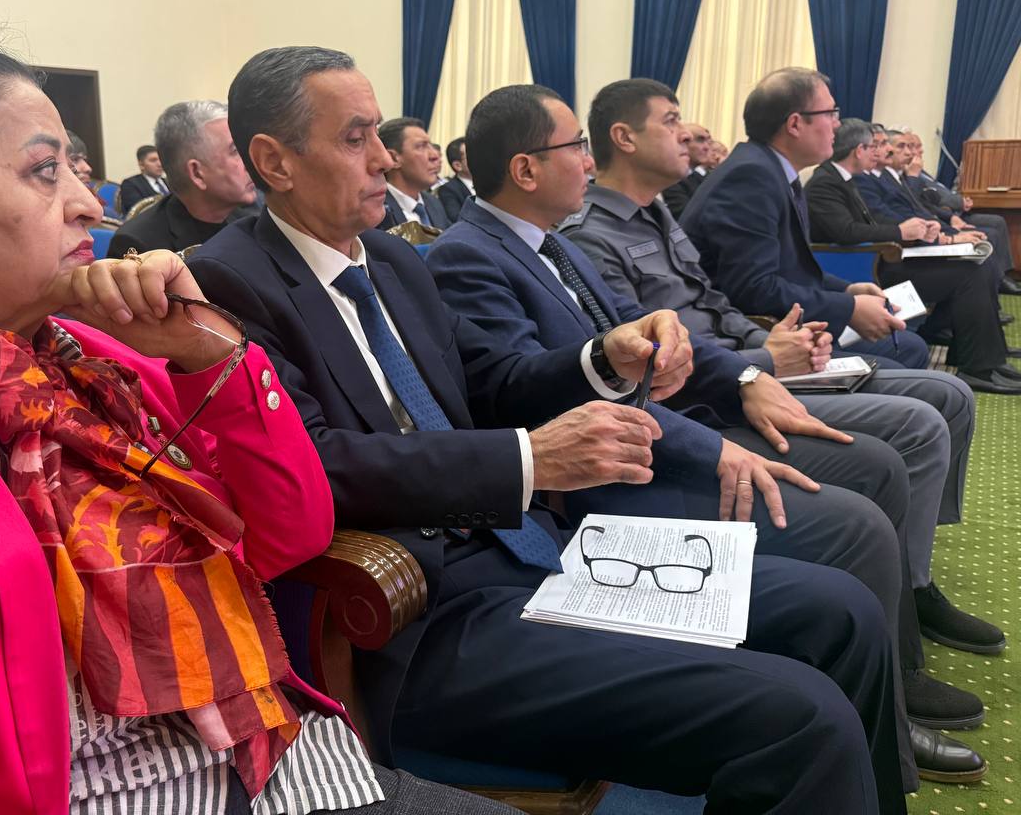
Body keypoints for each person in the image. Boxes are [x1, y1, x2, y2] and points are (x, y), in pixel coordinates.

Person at [0, 29, 521, 815]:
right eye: (44, 172)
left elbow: (294, 532)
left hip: (266, 758)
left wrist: (210, 351)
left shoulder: (101, 358)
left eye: (76, 170)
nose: (89, 203)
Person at [188, 45, 907, 814]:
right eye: (356, 138)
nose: (385, 159)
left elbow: (492, 379)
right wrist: (529, 460)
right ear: (275, 160)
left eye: (378, 134)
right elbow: (316, 464)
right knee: (799, 719)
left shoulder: (391, 261)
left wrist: (604, 356)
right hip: (419, 615)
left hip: (529, 550)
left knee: (842, 612)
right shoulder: (228, 281)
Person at [426, 82, 986, 784]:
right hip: (607, 484)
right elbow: (522, 393)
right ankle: (885, 731)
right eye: (575, 147)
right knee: (854, 525)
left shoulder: (555, 247)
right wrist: (708, 442)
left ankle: (885, 702)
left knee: (872, 473)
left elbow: (658, 327)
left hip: (666, 432)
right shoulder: (466, 256)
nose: (589, 162)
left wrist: (745, 375)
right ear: (526, 170)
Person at [679, 68, 929, 370]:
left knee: (910, 347)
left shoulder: (770, 169)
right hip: (758, 338)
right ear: (795, 124)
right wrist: (849, 308)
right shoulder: (751, 176)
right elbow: (753, 288)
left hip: (789, 320)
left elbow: (789, 268)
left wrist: (847, 291)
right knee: (910, 362)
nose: (837, 124)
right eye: (831, 113)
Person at [806, 118, 1020, 394]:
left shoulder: (841, 179)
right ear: (859, 151)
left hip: (883, 257)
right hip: (868, 267)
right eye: (873, 146)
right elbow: (845, 232)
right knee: (970, 273)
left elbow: (870, 223)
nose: (880, 152)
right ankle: (978, 368)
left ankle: (985, 359)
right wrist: (901, 231)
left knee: (976, 265)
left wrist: (913, 230)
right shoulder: (826, 182)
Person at [109, 101, 257, 259]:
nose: (250, 160)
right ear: (197, 173)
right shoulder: (138, 246)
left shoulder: (255, 219)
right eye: (235, 151)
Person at [902, 131, 1017, 294]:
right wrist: (954, 212)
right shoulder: (910, 174)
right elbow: (923, 203)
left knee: (997, 222)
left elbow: (934, 197)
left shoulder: (920, 171)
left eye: (917, 146)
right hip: (934, 222)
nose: (918, 151)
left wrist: (953, 212)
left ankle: (1001, 275)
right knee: (989, 233)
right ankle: (995, 281)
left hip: (947, 215)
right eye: (909, 146)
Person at [375, 117, 450, 230]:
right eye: (421, 146)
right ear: (393, 158)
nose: (435, 155)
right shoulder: (376, 210)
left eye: (430, 145)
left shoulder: (434, 203)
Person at [660, 122, 711, 219]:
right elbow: (687, 217)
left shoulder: (703, 178)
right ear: (683, 142)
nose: (707, 147)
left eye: (708, 141)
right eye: (700, 140)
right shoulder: (671, 180)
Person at [118, 143, 171, 213]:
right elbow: (138, 211)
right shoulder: (130, 184)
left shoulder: (170, 182)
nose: (160, 164)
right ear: (141, 165)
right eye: (153, 160)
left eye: (161, 159)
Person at [434, 136, 473, 221]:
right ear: (458, 165)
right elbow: (457, 220)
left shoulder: (489, 183)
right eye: (472, 154)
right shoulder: (448, 190)